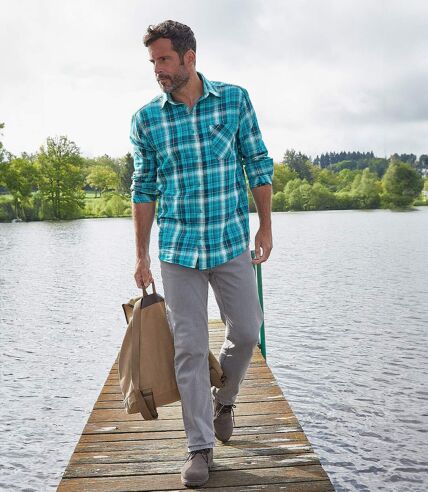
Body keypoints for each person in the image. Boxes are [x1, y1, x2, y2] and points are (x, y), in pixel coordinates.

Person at [130, 20, 273, 488]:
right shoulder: (146, 119)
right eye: (153, 62)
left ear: (190, 56)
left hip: (231, 241)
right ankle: (199, 447)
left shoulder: (234, 99)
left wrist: (265, 227)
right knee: (189, 348)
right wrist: (141, 255)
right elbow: (143, 188)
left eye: (164, 59)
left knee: (247, 332)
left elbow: (258, 163)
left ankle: (225, 400)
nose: (158, 70)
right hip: (177, 249)